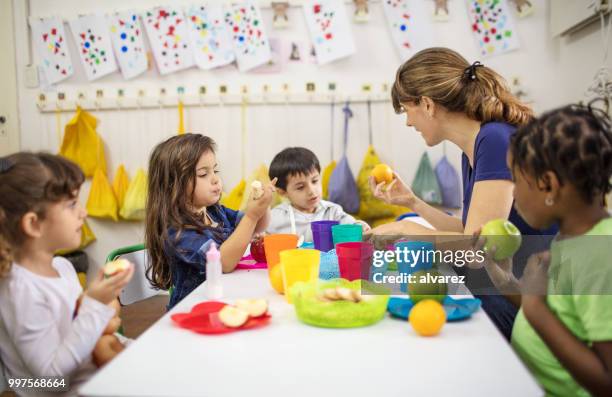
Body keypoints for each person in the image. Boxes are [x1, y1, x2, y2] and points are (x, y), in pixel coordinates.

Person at [369, 47, 557, 339]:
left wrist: (407, 229)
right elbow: (469, 230)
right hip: (510, 285)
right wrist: (413, 203)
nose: (408, 123)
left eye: (408, 111)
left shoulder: (495, 140)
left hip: (535, 299)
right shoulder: (475, 146)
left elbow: (475, 251)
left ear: (428, 105)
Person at [476, 103, 612, 396]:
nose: (513, 193)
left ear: (548, 185)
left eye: (516, 180)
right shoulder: (573, 238)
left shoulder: (601, 258)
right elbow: (564, 317)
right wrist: (506, 282)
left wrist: (536, 308)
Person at [0, 153, 133, 396]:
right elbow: (50, 377)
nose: (83, 213)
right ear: (33, 224)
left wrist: (100, 301)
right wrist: (93, 304)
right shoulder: (20, 290)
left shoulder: (62, 267)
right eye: (72, 205)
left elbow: (75, 329)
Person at [145, 133, 276, 310]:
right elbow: (224, 263)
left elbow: (258, 226)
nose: (215, 179)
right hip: (193, 309)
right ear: (173, 184)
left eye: (215, 171)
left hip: (223, 298)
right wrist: (252, 215)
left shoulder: (214, 211)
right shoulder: (177, 232)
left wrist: (263, 204)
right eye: (203, 174)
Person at [267, 147, 370, 242]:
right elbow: (261, 238)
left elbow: (352, 226)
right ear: (283, 192)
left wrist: (360, 226)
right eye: (300, 187)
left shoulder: (332, 211)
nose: (312, 191)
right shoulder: (276, 216)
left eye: (315, 181)